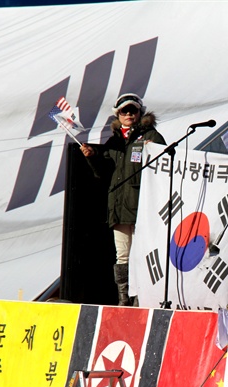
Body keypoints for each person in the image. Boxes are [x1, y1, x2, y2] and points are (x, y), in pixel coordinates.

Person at [80, 93, 166, 306]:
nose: (129, 114)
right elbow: (103, 173)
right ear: (118, 114)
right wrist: (92, 157)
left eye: (133, 110)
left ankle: (140, 299)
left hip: (141, 206)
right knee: (123, 256)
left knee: (140, 255)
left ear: (140, 113)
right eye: (124, 111)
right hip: (118, 206)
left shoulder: (152, 137)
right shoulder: (114, 141)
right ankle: (124, 299)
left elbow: (164, 168)